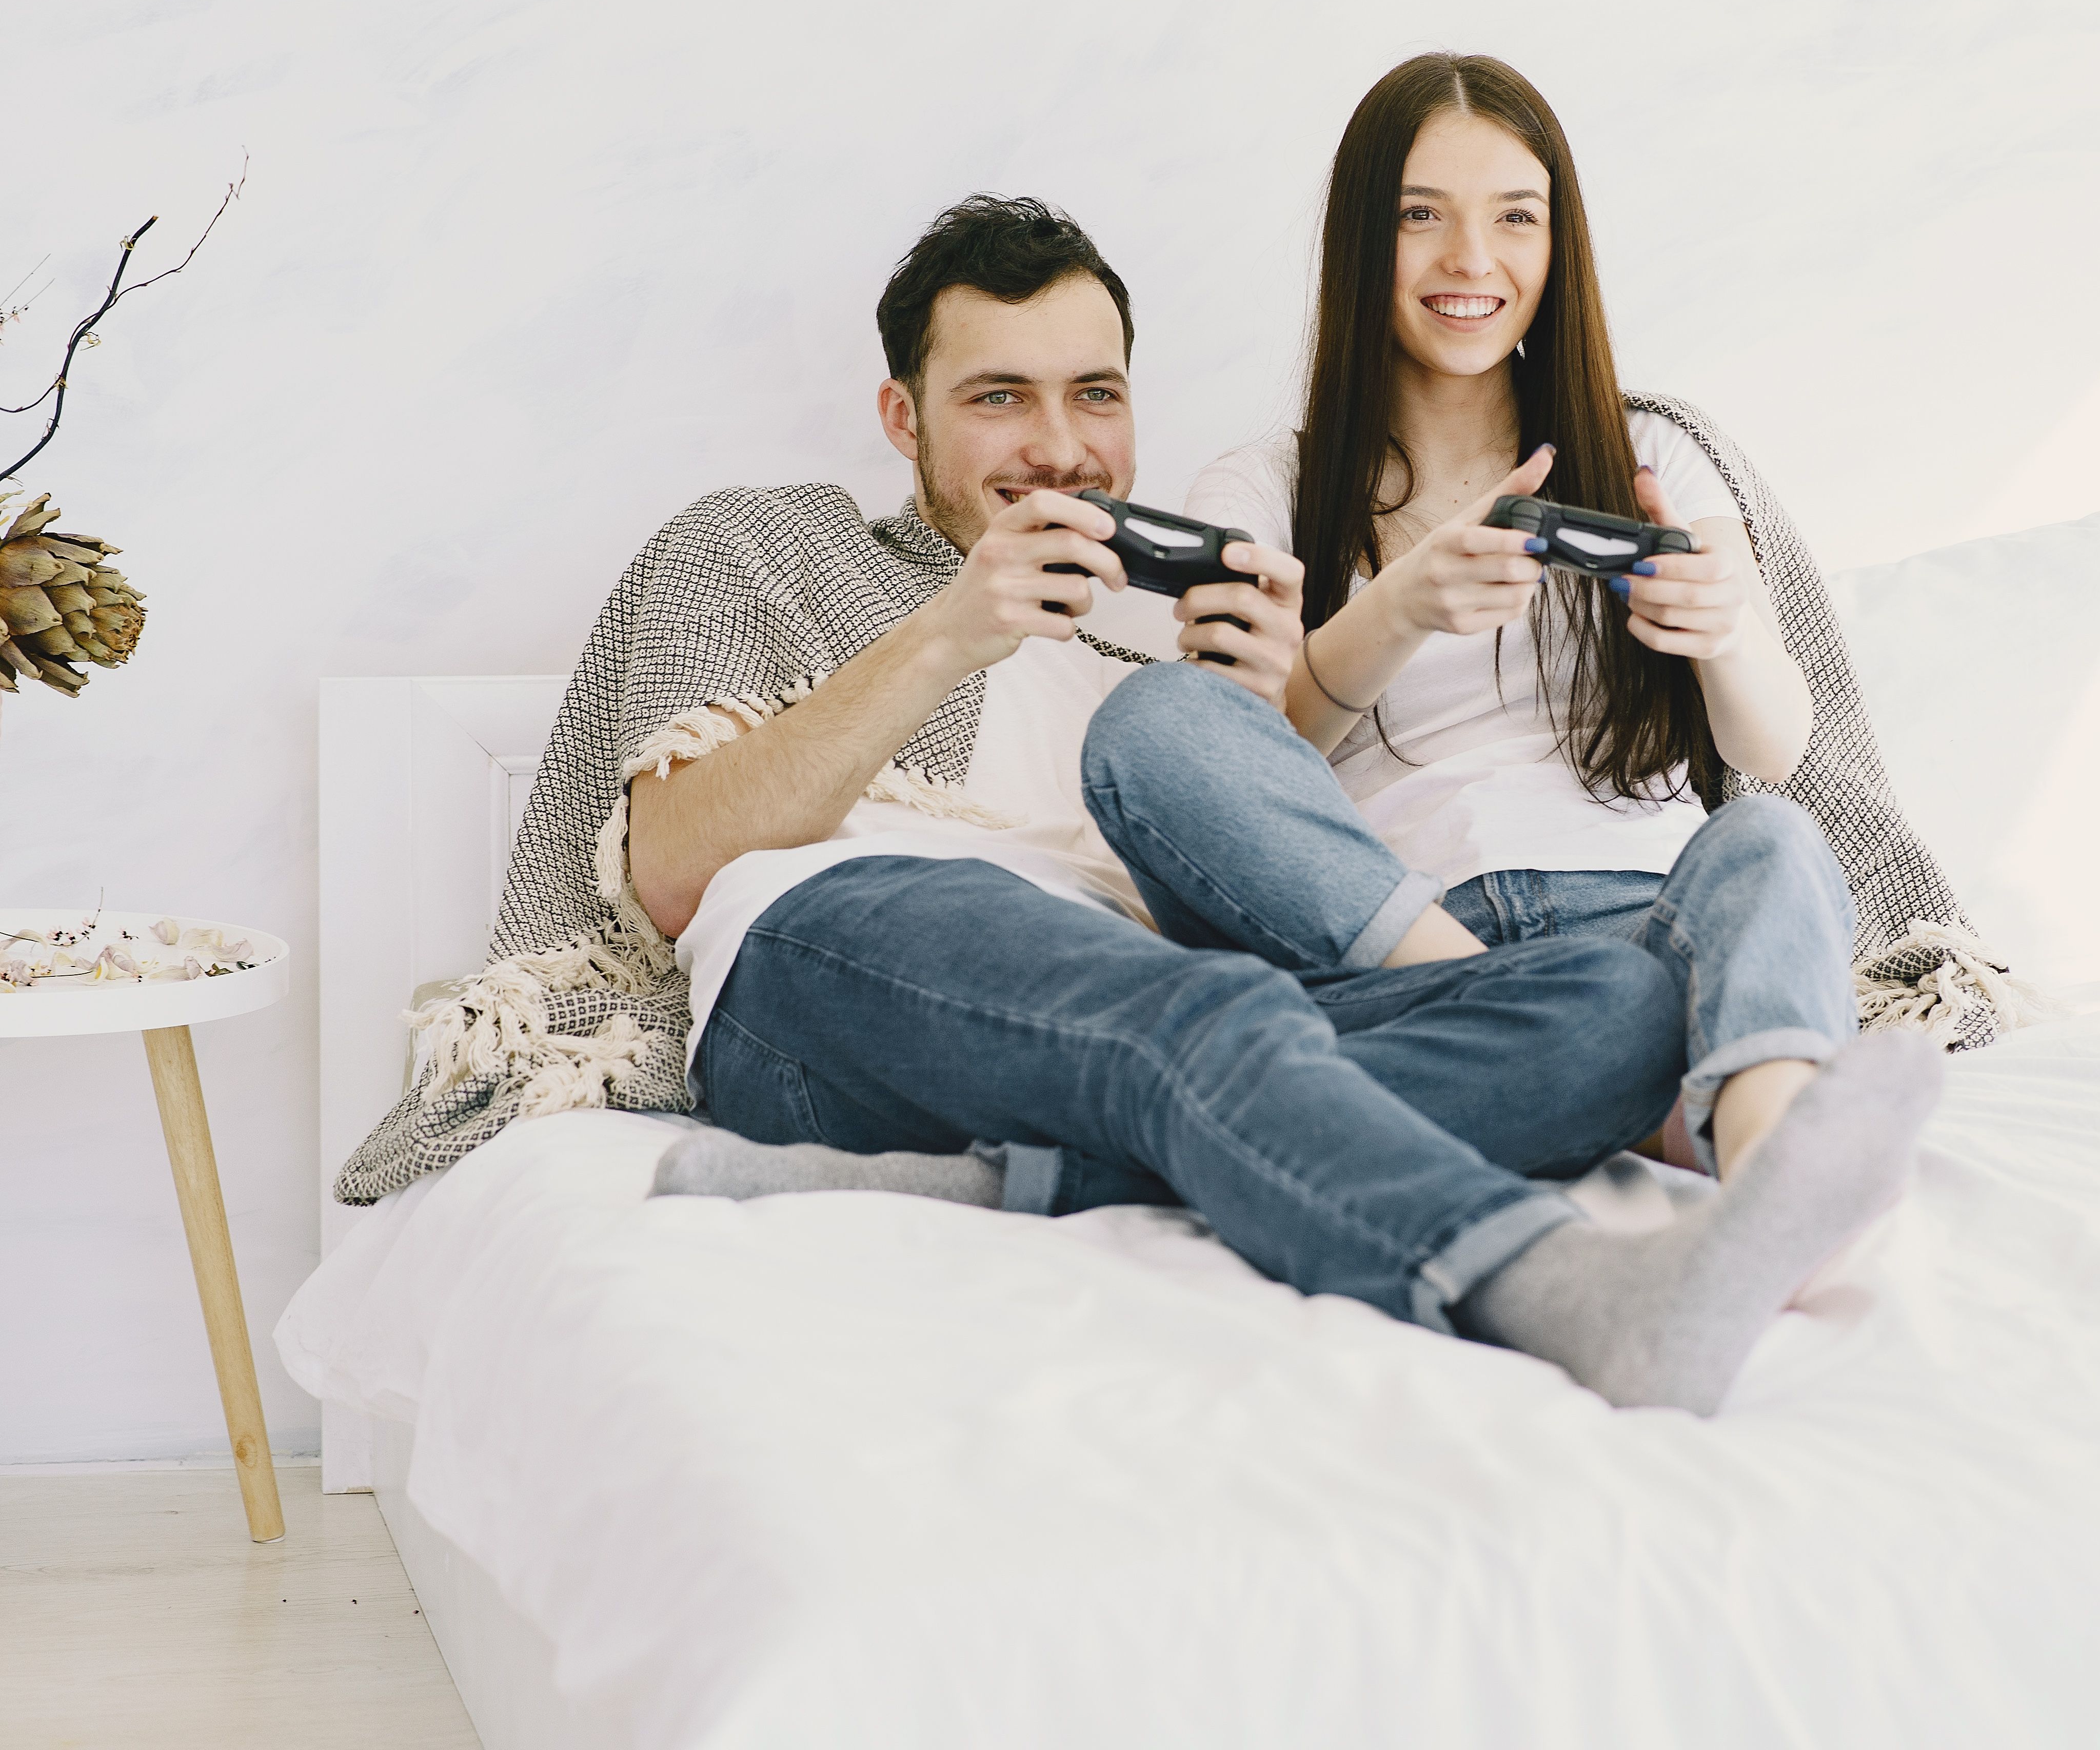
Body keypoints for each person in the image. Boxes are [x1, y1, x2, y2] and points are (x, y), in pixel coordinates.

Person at [617, 192, 1943, 1415]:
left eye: (1095, 395)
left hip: (1147, 1016)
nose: (1063, 447)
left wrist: (1258, 710)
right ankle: (1566, 1293)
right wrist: (945, 637)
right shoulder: (765, 546)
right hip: (851, 951)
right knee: (1202, 1015)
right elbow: (671, 864)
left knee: (1619, 1009)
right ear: (904, 418)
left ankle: (1002, 1182)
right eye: (999, 399)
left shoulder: (1148, 645)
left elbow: (1237, 881)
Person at [1184, 53, 1862, 1183]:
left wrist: (1725, 629)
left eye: (1516, 218)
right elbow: (1224, 777)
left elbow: (1774, 747)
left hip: (1652, 919)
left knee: (1776, 844)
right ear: (1360, 241)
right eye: (1419, 216)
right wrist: (1399, 607)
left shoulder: (1653, 457)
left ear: (1560, 245)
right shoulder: (1257, 491)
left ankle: (1771, 1181)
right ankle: (1665, 1100)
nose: (1472, 261)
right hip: (1420, 950)